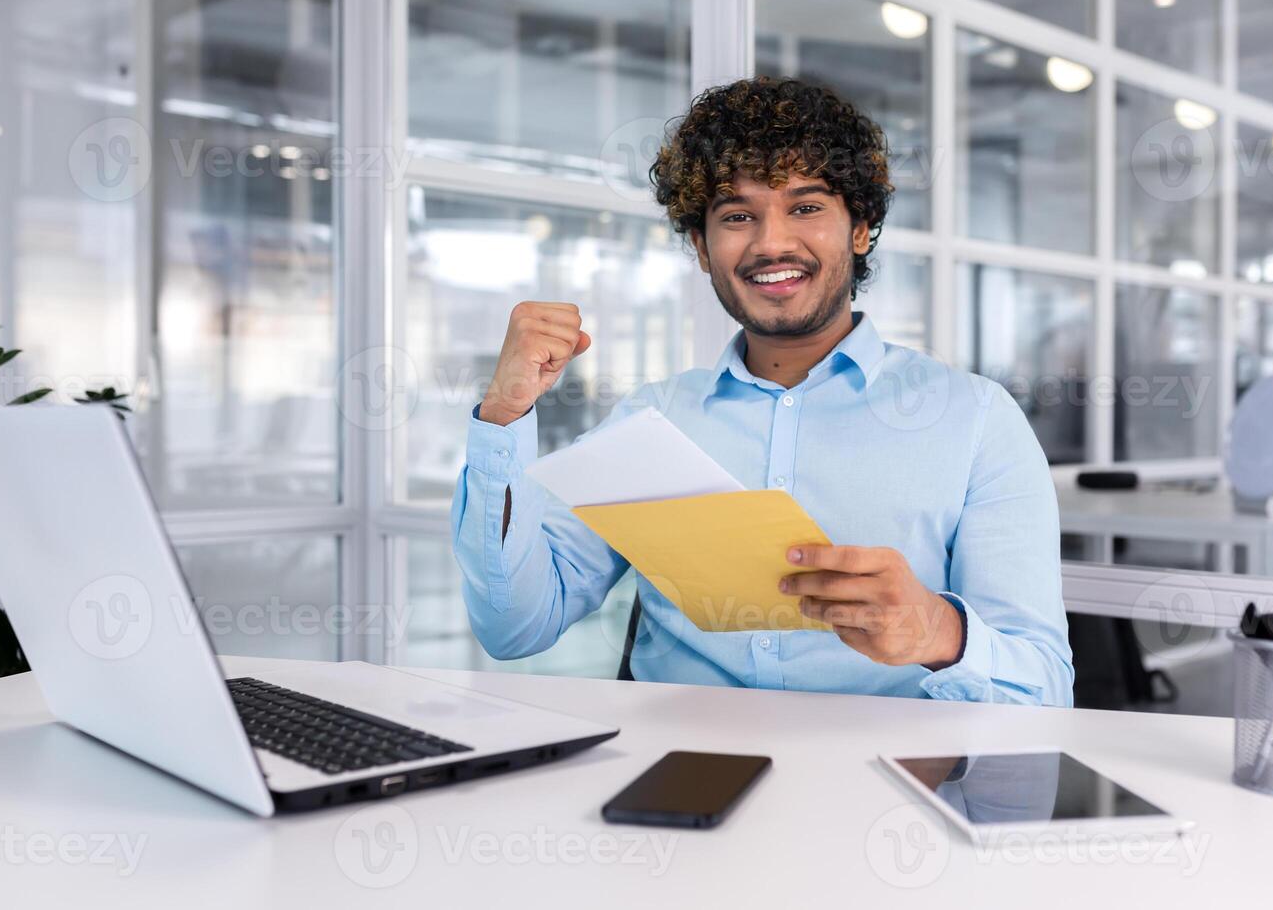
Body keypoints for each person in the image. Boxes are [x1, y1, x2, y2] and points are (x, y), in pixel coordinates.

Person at [452, 76, 1073, 706]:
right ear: (701, 247)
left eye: (806, 207)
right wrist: (504, 416)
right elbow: (515, 628)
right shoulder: (655, 418)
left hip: (887, 787)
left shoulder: (975, 420)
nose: (771, 243)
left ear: (861, 229)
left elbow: (1045, 687)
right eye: (737, 216)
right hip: (677, 775)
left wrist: (938, 632)